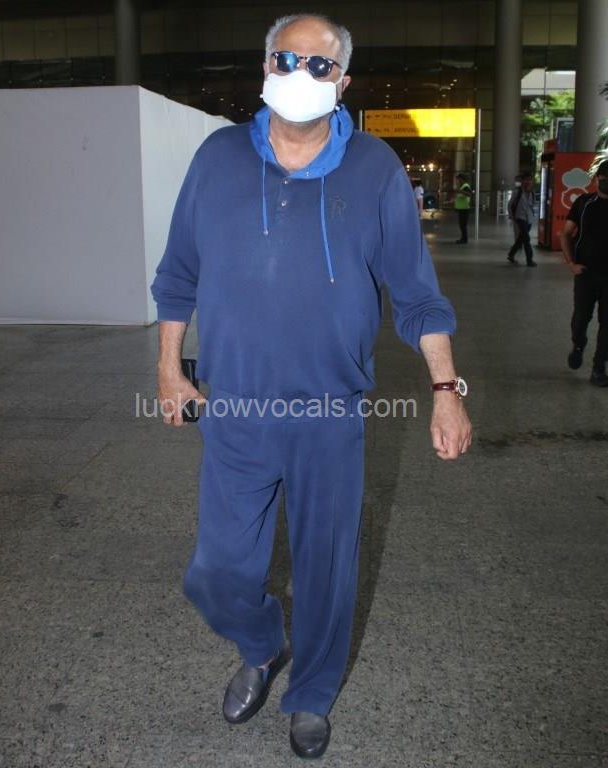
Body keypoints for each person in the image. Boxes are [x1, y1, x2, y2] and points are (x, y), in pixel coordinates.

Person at [151, 13, 472, 760]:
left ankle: (312, 695)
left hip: (330, 412)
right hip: (235, 406)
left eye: (319, 65)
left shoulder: (375, 168)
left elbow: (416, 296)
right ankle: (262, 644)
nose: (301, 74)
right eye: (286, 59)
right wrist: (169, 368)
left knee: (328, 570)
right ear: (265, 65)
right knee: (216, 572)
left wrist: (445, 389)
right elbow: (178, 274)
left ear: (343, 81)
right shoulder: (218, 157)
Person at [561, 159, 608, 387]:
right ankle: (578, 344)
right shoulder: (584, 203)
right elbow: (566, 234)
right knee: (580, 319)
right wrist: (571, 263)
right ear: (597, 179)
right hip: (586, 274)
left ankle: (599, 368)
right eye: (604, 179)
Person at [507, 172, 537, 267]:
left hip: (529, 219)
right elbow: (510, 204)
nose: (528, 182)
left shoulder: (532, 193)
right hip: (520, 217)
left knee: (521, 239)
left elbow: (533, 205)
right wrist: (511, 216)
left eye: (530, 180)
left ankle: (511, 254)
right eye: (526, 180)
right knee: (526, 239)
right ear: (522, 181)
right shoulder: (517, 192)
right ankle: (529, 260)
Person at [453, 173, 472, 243]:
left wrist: (459, 191)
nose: (457, 181)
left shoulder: (465, 186)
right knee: (462, 225)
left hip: (464, 209)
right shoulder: (463, 186)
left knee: (463, 225)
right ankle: (463, 238)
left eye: (458, 179)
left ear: (461, 179)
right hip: (462, 209)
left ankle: (464, 239)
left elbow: (469, 194)